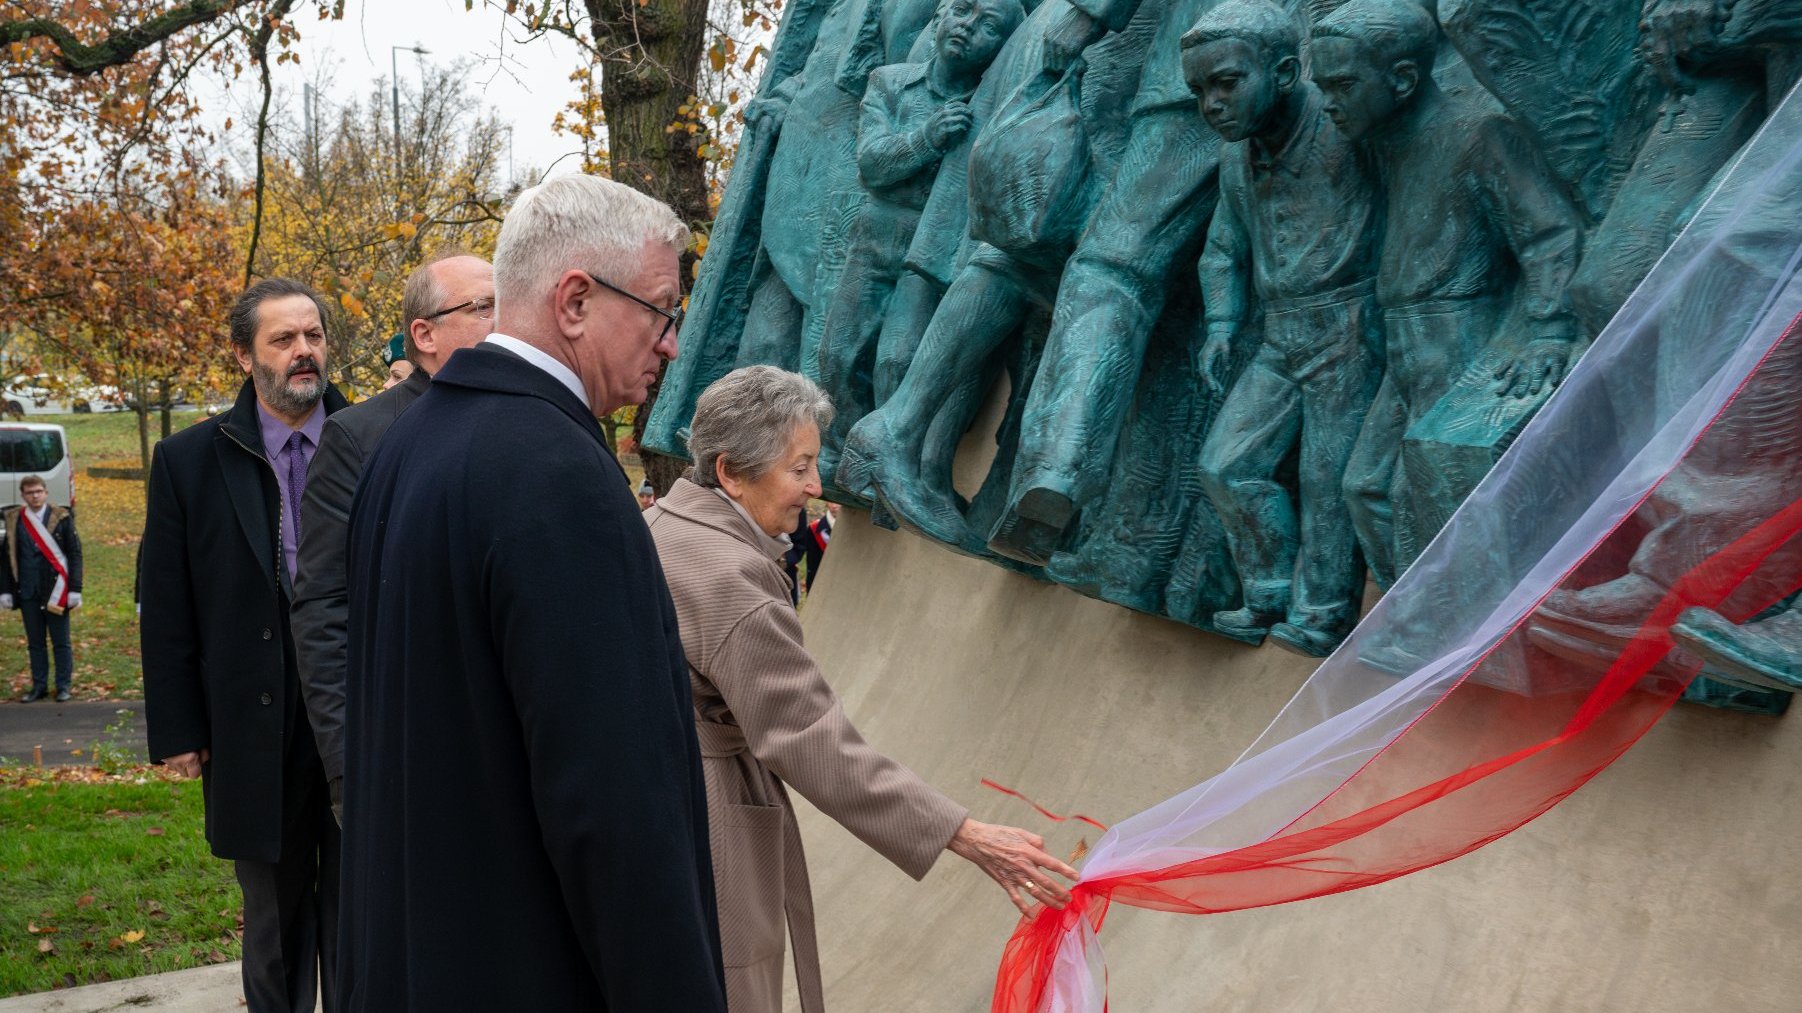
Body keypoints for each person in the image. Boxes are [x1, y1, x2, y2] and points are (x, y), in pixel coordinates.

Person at [339, 175, 726, 1010]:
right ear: (576, 300)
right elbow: (615, 802)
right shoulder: (556, 472)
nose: (670, 344)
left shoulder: (409, 445)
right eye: (662, 311)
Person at [647, 365, 1079, 1013]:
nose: (816, 487)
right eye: (800, 467)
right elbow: (811, 737)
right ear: (732, 471)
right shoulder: (730, 577)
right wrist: (964, 833)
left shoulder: (666, 529)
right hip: (708, 825)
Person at [1311, 0, 1583, 587]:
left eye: (1342, 85)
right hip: (1405, 345)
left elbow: (1549, 234)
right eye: (1322, 86)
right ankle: (1417, 623)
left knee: (1425, 492)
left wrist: (1548, 327)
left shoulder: (1479, 132)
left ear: (1403, 79)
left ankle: (1463, 634)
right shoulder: (1382, 142)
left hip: (1460, 336)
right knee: (1365, 488)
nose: (1327, 102)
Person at [140, 277, 348, 1012]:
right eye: (284, 339)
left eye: (314, 336)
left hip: (360, 715)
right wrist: (179, 728)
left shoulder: (377, 443)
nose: (304, 352)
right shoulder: (190, 460)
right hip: (252, 729)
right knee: (276, 924)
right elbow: (165, 608)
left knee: (362, 914)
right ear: (242, 353)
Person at [1186, 0, 1383, 656]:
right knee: (1225, 463)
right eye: (1198, 90)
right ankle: (1268, 590)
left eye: (1226, 82)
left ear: (1287, 71)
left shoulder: (1345, 130)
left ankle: (1322, 613)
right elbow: (1223, 248)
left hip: (1350, 324)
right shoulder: (1236, 157)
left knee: (1328, 480)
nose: (1211, 103)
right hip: (1281, 334)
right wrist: (1219, 323)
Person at [291, 252, 494, 824]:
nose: (504, 320)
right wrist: (348, 766)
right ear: (424, 335)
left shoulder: (543, 418)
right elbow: (324, 607)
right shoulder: (359, 436)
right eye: (483, 307)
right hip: (407, 746)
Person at [2, 474, 83, 702]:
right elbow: (7, 558)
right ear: (23, 495)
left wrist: (75, 588)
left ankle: (63, 686)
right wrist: (5, 590)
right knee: (35, 643)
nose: (35, 496)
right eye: (30, 492)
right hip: (27, 591)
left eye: (38, 491)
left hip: (56, 589)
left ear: (45, 492)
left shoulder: (61, 517)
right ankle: (39, 686)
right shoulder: (14, 520)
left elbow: (75, 554)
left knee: (61, 641)